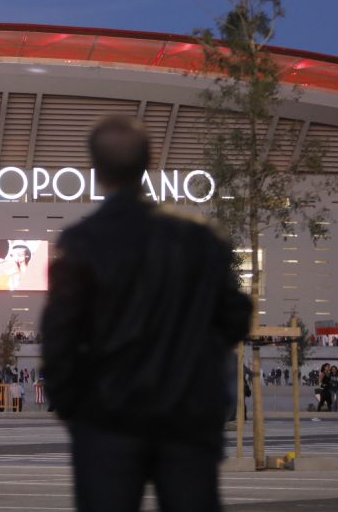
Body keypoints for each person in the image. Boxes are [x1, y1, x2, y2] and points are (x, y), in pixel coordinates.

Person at [40, 116, 253, 511]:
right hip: (188, 417)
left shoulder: (82, 242)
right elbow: (236, 316)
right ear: (147, 165)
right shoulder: (199, 238)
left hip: (107, 417)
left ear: (95, 170)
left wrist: (71, 406)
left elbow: (60, 335)